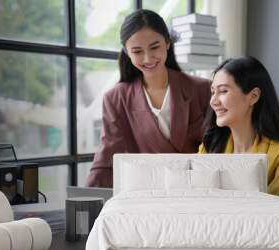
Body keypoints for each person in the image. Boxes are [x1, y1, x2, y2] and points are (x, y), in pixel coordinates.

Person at [86, 9, 211, 188]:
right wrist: (84, 203)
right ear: (127, 52)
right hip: (145, 193)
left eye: (154, 47)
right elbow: (107, 157)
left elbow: (217, 148)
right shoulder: (116, 98)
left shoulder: (202, 89)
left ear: (167, 43)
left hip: (196, 190)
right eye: (137, 51)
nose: (148, 58)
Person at [199, 56, 279, 197]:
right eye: (213, 92)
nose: (213, 101)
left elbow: (275, 214)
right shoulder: (209, 147)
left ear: (253, 96)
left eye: (223, 91)